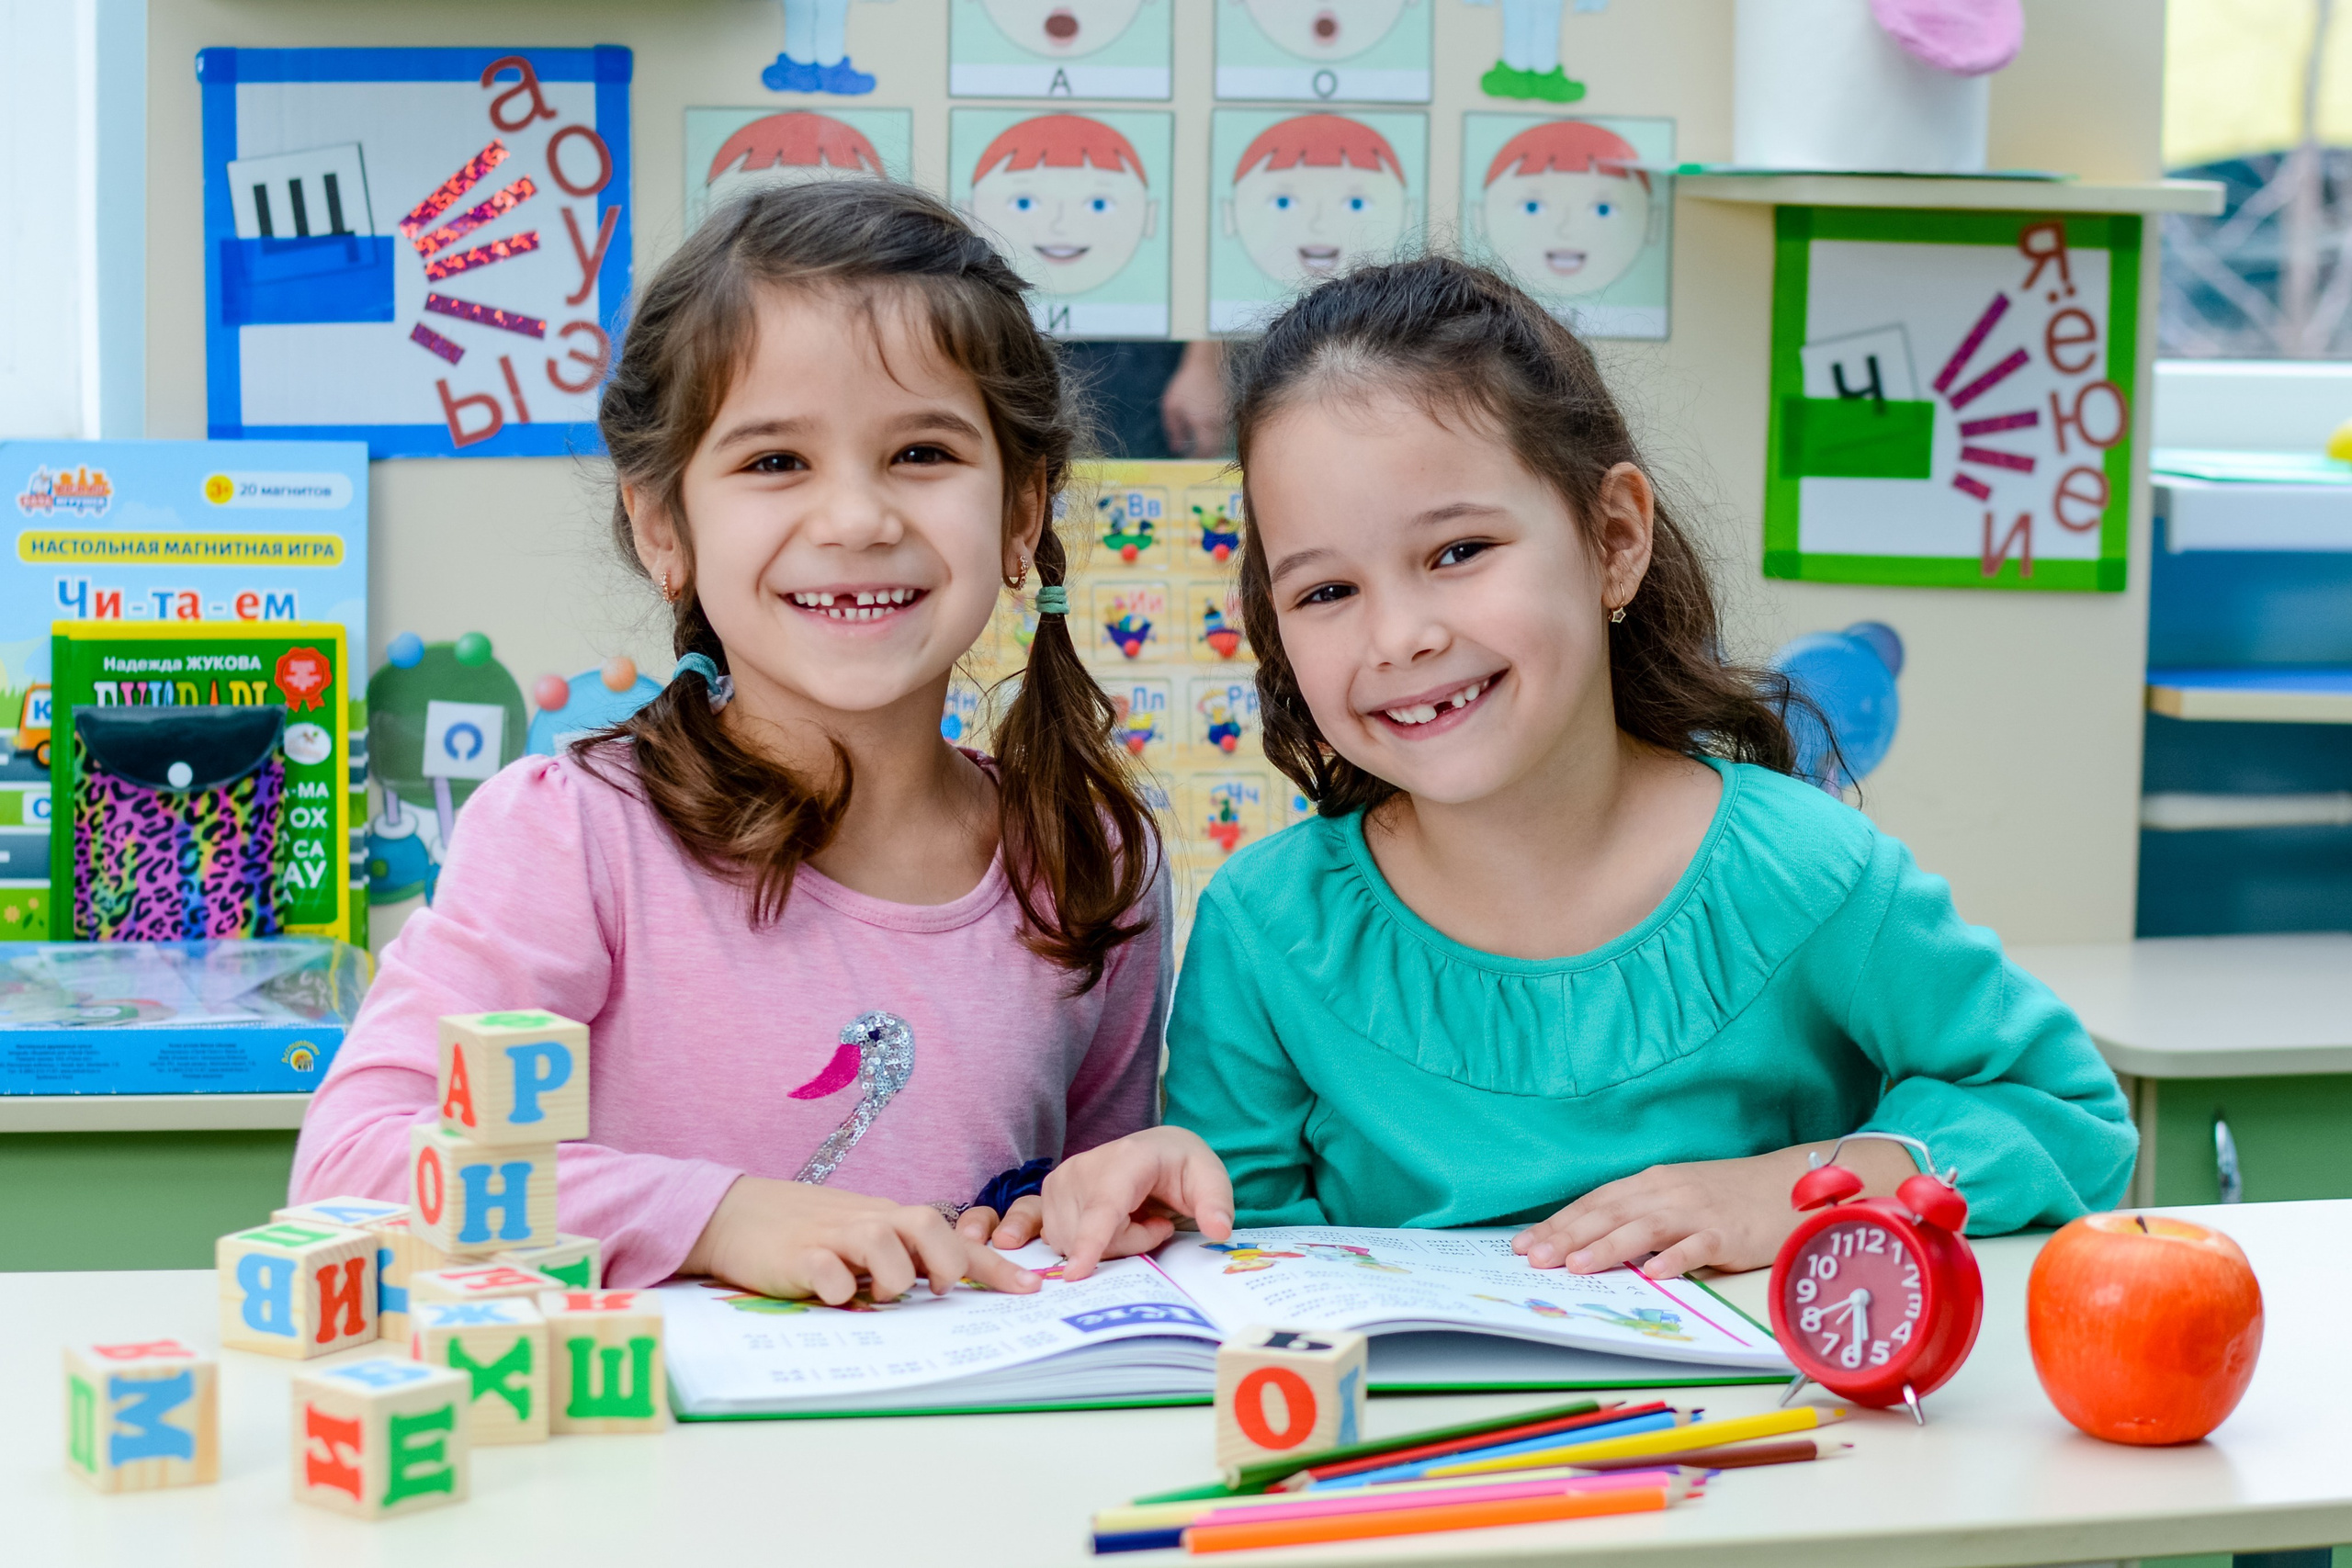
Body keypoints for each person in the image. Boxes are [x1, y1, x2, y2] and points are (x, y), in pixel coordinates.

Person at [1027, 256, 2135, 1280]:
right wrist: (1152, 1195)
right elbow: (1240, 1257)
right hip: (1412, 1480)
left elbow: (2066, 1118)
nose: (1398, 636)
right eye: (1325, 591)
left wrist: (1794, 1193)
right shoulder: (1268, 929)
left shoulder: (1802, 873)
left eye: (1457, 553)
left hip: (1763, 1470)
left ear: (1612, 540)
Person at [291, 180, 1169, 1303]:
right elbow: (348, 1172)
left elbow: (1081, 1235)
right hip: (649, 1465)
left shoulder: (1094, 857)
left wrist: (1095, 1201)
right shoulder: (572, 838)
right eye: (773, 463)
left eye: (921, 454)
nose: (856, 519)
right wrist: (713, 1216)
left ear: (1019, 514)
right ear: (665, 528)